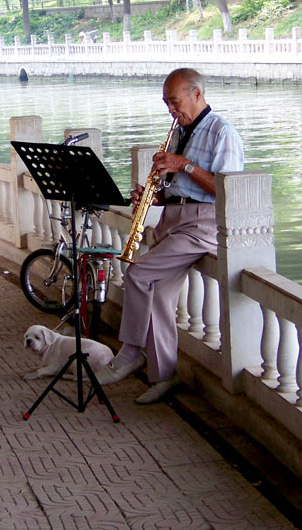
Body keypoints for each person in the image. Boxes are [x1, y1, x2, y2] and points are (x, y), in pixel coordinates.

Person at [94, 68, 244, 404]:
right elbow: (181, 187)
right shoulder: (180, 131)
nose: (171, 111)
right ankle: (163, 375)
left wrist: (184, 165)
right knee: (160, 293)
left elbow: (228, 189)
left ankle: (130, 354)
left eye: (175, 102)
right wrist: (153, 195)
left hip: (201, 225)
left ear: (197, 93)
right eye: (166, 104)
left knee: (139, 272)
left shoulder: (222, 132)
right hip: (174, 219)